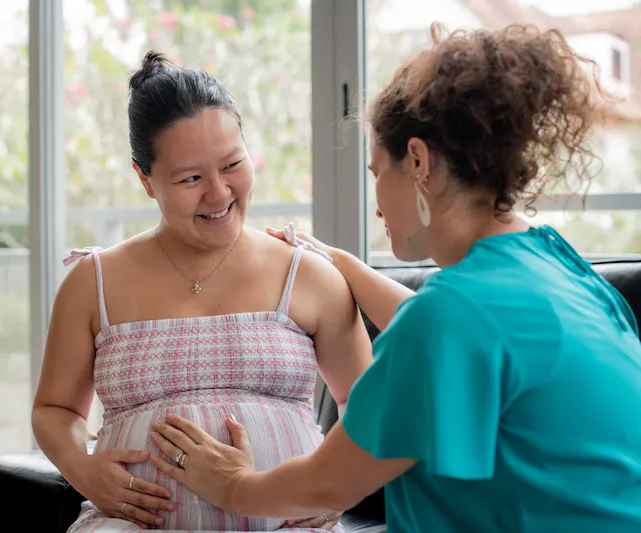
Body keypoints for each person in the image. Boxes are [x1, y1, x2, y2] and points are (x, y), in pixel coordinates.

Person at [148, 23, 641, 533]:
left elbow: (327, 484)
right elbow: (463, 339)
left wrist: (230, 485)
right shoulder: (559, 267)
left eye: (376, 170)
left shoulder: (454, 318)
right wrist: (347, 267)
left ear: (419, 161)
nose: (376, 199)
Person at [31, 51, 386, 532]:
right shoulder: (91, 283)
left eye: (232, 164)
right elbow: (55, 409)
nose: (219, 194)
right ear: (145, 180)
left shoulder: (308, 274)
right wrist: (83, 469)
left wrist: (335, 487)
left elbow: (368, 404)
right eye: (190, 179)